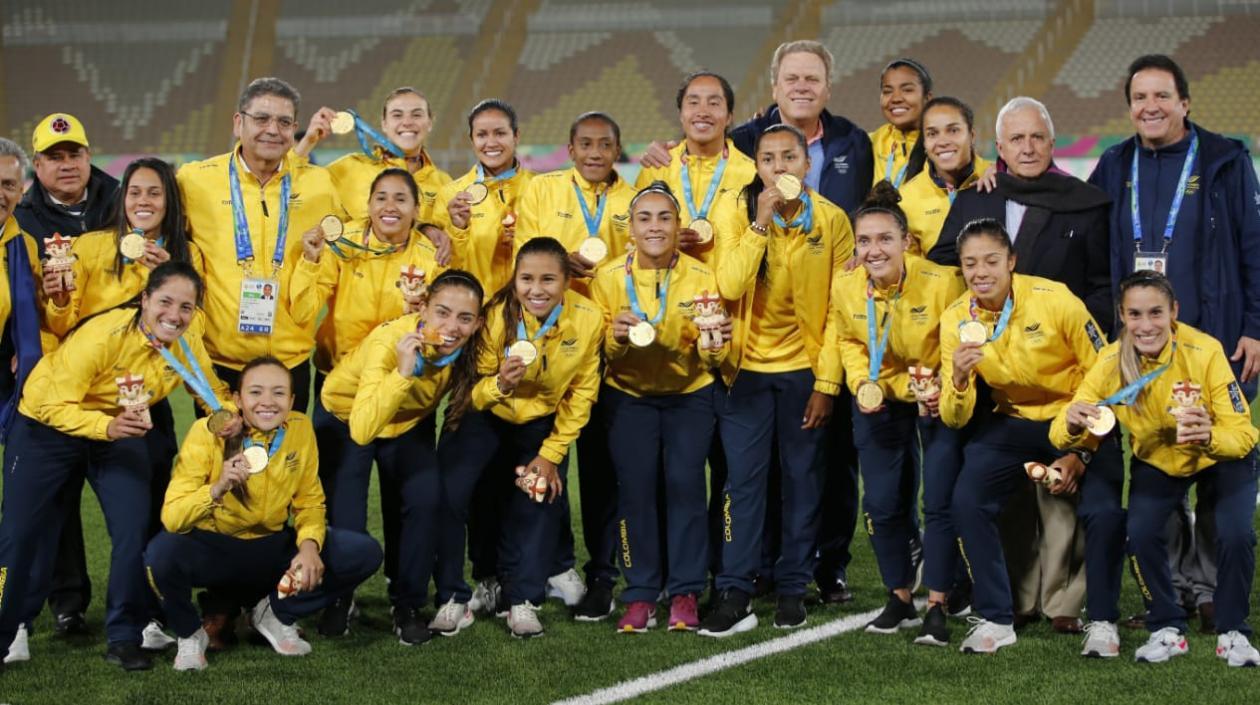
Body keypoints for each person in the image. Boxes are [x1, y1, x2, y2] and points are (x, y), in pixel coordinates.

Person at [930, 97, 1114, 632]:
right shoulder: (978, 199)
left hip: (1070, 375)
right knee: (995, 499)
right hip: (999, 387)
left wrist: (1084, 348)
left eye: (1037, 137)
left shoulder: (1085, 203)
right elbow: (942, 264)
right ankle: (1007, 601)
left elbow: (1101, 286)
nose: (1027, 147)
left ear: (1052, 145)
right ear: (999, 149)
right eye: (1016, 139)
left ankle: (1071, 605)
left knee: (1079, 503)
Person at [1089, 55, 1260, 630]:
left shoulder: (1225, 160)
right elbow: (1078, 222)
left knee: (1215, 462)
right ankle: (1176, 589)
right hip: (1141, 348)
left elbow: (1254, 247)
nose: (1151, 107)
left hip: (1217, 343)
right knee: (1156, 462)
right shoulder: (1115, 164)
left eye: (1162, 96)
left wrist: (1255, 325)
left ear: (1185, 102)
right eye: (1140, 97)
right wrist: (999, 173)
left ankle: (1211, 589)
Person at [0, 262, 237, 671]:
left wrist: (227, 413)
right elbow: (48, 405)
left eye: (186, 307)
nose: (174, 315)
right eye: (165, 302)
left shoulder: (186, 338)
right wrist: (105, 426)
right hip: (45, 427)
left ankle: (124, 636)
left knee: (132, 531)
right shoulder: (103, 335)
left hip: (117, 433)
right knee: (18, 536)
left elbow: (208, 388)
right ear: (144, 300)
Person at [1051, 271, 1259, 666]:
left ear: (1174, 312)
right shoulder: (1112, 359)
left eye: (1155, 313)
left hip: (1220, 456)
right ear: (1123, 316)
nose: (1146, 326)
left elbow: (1245, 434)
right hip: (1159, 459)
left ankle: (1233, 632)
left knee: (1235, 534)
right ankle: (1166, 626)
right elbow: (1064, 430)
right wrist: (1072, 421)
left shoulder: (1206, 351)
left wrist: (1209, 435)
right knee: (1140, 532)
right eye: (1135, 314)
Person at [38, 156, 203, 652]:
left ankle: (147, 611)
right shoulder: (91, 247)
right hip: (85, 404)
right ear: (122, 199)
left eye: (154, 193)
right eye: (134, 192)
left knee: (149, 512)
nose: (144, 202)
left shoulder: (185, 253)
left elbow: (193, 325)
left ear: (169, 201)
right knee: (63, 509)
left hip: (144, 406)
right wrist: (59, 296)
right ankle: (66, 606)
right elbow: (62, 323)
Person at [938, 218, 1124, 654]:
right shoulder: (955, 320)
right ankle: (997, 617)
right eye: (970, 264)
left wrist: (1082, 450)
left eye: (991, 261)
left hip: (1078, 417)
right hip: (1014, 422)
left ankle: (1102, 621)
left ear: (1012, 261)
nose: (980, 272)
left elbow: (1107, 375)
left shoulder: (1055, 299)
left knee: (1104, 511)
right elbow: (953, 416)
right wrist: (961, 380)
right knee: (967, 500)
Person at [700, 124, 851, 636]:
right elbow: (728, 285)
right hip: (743, 374)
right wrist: (759, 225)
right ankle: (735, 588)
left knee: (803, 484)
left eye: (790, 157)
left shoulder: (831, 221)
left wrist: (826, 385)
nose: (780, 168)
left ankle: (792, 589)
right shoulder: (735, 212)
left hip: (804, 375)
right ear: (757, 167)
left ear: (807, 164)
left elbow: (839, 310)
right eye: (768, 159)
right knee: (741, 485)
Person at [145, 356, 384, 670]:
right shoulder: (205, 433)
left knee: (363, 552)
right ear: (237, 399)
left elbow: (310, 502)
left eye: (279, 393)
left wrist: (310, 547)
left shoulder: (300, 429)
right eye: (256, 392)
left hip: (269, 550)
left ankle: (274, 612)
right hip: (216, 551)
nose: (268, 402)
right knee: (160, 553)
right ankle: (190, 634)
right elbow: (173, 518)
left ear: (292, 399)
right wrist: (216, 489)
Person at [289, 167, 443, 635]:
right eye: (380, 197)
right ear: (367, 204)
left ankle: (408, 601)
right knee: (342, 506)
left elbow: (447, 327)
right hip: (341, 396)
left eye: (401, 198)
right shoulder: (341, 243)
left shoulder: (431, 256)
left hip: (405, 400)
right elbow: (300, 311)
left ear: (418, 210)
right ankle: (341, 596)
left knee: (416, 502)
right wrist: (311, 261)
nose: (390, 206)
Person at [434, 237, 602, 638]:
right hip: (485, 413)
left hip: (540, 422)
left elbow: (582, 393)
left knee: (538, 494)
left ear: (566, 281)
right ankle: (457, 593)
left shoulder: (589, 318)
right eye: (526, 278)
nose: (536, 289)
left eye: (548, 279)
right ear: (515, 278)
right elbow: (473, 392)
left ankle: (522, 599)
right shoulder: (495, 315)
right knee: (453, 495)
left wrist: (552, 454)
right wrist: (500, 386)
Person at [589, 182, 730, 632]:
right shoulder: (608, 278)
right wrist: (613, 337)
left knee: (686, 486)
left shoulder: (703, 276)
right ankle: (640, 593)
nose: (654, 226)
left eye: (664, 217)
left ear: (678, 225)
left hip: (690, 396)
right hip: (629, 397)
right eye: (644, 218)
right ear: (629, 229)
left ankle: (686, 590)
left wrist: (713, 347)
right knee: (635, 492)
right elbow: (598, 354)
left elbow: (714, 355)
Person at [834, 182, 965, 645]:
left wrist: (945, 387)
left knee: (940, 501)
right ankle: (900, 595)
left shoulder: (943, 282)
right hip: (881, 397)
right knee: (882, 502)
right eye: (864, 241)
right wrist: (862, 383)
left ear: (906, 242)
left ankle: (941, 601)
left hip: (936, 397)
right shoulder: (846, 285)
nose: (874, 250)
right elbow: (849, 340)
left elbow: (964, 337)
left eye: (885, 239)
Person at [514, 112, 634, 617]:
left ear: (617, 149)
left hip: (611, 350)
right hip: (550, 348)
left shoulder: (632, 201)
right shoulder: (542, 191)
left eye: (605, 144)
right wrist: (561, 260)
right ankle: (554, 564)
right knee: (546, 461)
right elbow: (527, 255)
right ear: (569, 147)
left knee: (604, 473)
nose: (594, 152)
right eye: (584, 143)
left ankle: (603, 574)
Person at [325, 270, 483, 644]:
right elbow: (362, 428)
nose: (451, 327)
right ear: (422, 308)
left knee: (424, 501)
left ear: (477, 324)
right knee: (347, 515)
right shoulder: (389, 342)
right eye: (442, 313)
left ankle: (407, 603)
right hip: (346, 416)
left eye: (464, 318)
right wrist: (402, 371)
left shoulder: (469, 349)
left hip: (408, 423)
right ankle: (340, 596)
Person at [13, 113, 120, 638]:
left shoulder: (119, 199)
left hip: (123, 374)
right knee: (56, 497)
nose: (67, 164)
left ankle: (141, 600)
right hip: (57, 377)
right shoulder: (21, 216)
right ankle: (67, 603)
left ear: (87, 155)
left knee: (134, 486)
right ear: (37, 165)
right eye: (54, 156)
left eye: (74, 153)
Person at [177, 77, 344, 415]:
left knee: (286, 463)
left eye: (284, 122)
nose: (273, 129)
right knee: (224, 466)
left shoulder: (319, 185)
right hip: (222, 362)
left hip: (290, 361)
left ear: (294, 128)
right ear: (238, 123)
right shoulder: (194, 181)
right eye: (261, 118)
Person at [297, 87, 454, 264]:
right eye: (397, 115)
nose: (407, 122)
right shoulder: (349, 168)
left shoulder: (445, 184)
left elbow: (451, 245)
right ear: (384, 124)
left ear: (430, 122)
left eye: (416, 115)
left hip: (415, 286)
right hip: (356, 283)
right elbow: (292, 183)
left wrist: (427, 229)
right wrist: (308, 141)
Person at [634, 71, 757, 267]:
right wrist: (664, 244)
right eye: (693, 102)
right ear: (681, 115)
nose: (703, 111)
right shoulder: (657, 168)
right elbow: (630, 237)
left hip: (730, 294)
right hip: (671, 292)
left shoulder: (752, 175)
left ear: (729, 117)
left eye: (714, 103)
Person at [433, 99, 534, 296]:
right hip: (475, 310)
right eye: (481, 135)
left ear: (516, 136)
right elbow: (443, 269)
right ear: (472, 141)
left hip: (530, 309)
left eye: (500, 133)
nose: (491, 143)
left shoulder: (541, 188)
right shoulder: (451, 195)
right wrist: (458, 229)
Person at [899, 97, 993, 256]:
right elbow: (911, 267)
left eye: (953, 130)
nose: (942, 141)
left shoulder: (998, 176)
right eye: (932, 133)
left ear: (972, 135)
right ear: (924, 143)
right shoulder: (906, 199)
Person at [870, 59, 932, 189]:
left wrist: (987, 170)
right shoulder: (867, 143)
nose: (896, 98)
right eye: (887, 91)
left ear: (927, 98)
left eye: (907, 90)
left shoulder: (941, 145)